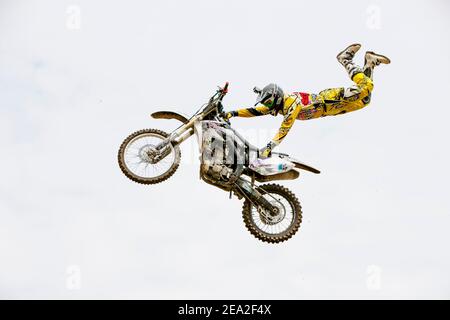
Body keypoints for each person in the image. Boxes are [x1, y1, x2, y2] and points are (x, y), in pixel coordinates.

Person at [223, 44, 391, 158]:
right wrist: (233, 113)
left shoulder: (291, 104)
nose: (266, 107)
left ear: (275, 97)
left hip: (329, 99)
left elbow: (285, 128)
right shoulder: (280, 106)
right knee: (365, 100)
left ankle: (345, 59)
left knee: (366, 87)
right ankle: (370, 62)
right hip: (330, 110)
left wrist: (268, 148)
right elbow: (255, 111)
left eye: (268, 102)